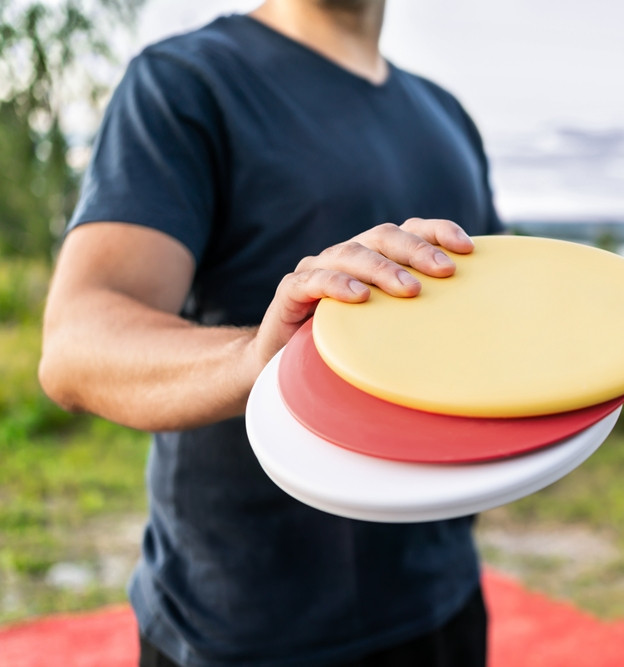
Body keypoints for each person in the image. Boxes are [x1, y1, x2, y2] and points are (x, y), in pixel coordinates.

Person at [38, 1, 504, 665]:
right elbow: (76, 344)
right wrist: (265, 355)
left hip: (441, 601)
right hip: (238, 629)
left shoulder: (445, 114)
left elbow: (483, 327)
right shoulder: (185, 81)